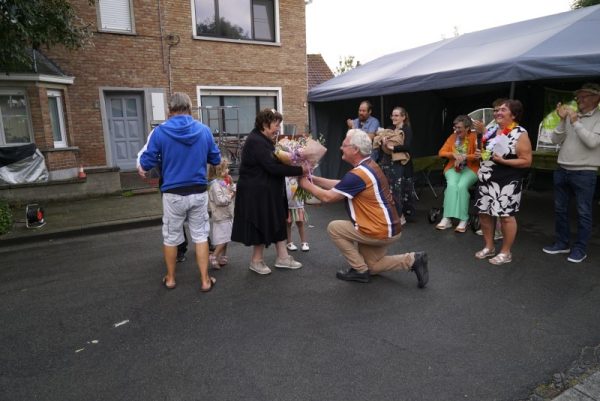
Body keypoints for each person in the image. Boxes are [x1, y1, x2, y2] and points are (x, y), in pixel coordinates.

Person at [299, 129, 428, 287]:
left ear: (355, 150)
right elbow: (342, 185)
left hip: (379, 230)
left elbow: (328, 197)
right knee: (373, 266)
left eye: (344, 145)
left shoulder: (358, 174)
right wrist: (313, 179)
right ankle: (413, 259)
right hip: (390, 228)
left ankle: (359, 270)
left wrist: (304, 183)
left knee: (334, 228)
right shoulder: (369, 166)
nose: (341, 147)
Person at [138, 92, 221, 292]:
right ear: (190, 109)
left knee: (171, 236)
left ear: (169, 110)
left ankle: (171, 279)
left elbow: (146, 162)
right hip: (198, 191)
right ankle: (204, 280)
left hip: (173, 194)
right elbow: (216, 159)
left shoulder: (160, 132)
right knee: (201, 236)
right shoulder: (204, 130)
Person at [231, 109, 307, 275]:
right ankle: (256, 261)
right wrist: (301, 169)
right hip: (256, 193)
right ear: (265, 124)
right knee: (260, 223)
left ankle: (283, 257)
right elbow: (271, 167)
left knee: (277, 220)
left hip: (267, 191)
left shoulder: (263, 139)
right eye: (276, 125)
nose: (278, 129)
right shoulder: (256, 141)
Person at [542, 83, 600, 263]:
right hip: (562, 169)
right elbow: (554, 139)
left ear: (596, 98)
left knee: (584, 212)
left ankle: (580, 249)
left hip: (585, 172)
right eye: (578, 97)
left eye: (584, 96)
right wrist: (562, 120)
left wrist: (575, 122)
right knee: (560, 210)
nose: (579, 100)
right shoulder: (572, 116)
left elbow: (592, 142)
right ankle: (562, 243)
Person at [473, 99, 532, 265]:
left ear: (513, 114)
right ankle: (489, 247)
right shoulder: (491, 130)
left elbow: (526, 161)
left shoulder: (520, 133)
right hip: (486, 177)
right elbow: (486, 152)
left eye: (503, 110)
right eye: (497, 110)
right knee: (484, 213)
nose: (497, 112)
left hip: (507, 180)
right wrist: (481, 154)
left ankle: (506, 252)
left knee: (506, 217)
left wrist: (504, 161)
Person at [137, 123, 189, 263]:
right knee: (176, 219)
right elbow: (146, 151)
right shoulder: (161, 132)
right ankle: (180, 249)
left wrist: (142, 165)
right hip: (170, 181)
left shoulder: (191, 129)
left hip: (185, 180)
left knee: (190, 217)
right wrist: (141, 164)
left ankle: (202, 245)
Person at [436, 115, 479, 232]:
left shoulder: (475, 137)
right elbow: (441, 152)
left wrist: (464, 157)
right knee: (451, 186)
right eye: (455, 127)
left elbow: (478, 156)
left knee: (461, 186)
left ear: (467, 128)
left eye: (459, 127)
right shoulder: (452, 137)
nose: (457, 130)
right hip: (453, 168)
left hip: (470, 168)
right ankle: (447, 218)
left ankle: (463, 219)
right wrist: (453, 155)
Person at [372, 106, 415, 223]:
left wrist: (393, 147)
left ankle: (401, 216)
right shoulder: (389, 128)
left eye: (396, 115)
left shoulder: (407, 129)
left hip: (401, 165)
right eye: (393, 115)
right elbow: (382, 145)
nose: (393, 117)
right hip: (388, 163)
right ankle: (391, 215)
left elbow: (407, 147)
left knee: (399, 190)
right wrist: (383, 142)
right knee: (388, 190)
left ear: (403, 117)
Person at [207, 159, 235, 269]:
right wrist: (230, 196)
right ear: (219, 171)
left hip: (227, 214)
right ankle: (214, 256)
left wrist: (232, 184)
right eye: (226, 168)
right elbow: (220, 201)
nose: (228, 170)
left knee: (226, 237)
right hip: (221, 215)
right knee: (223, 238)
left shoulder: (224, 181)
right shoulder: (215, 185)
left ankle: (222, 256)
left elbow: (234, 189)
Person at [285, 176, 310, 252]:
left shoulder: (299, 175)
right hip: (287, 204)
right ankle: (289, 242)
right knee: (288, 224)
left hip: (298, 204)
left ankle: (304, 242)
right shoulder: (284, 176)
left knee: (300, 223)